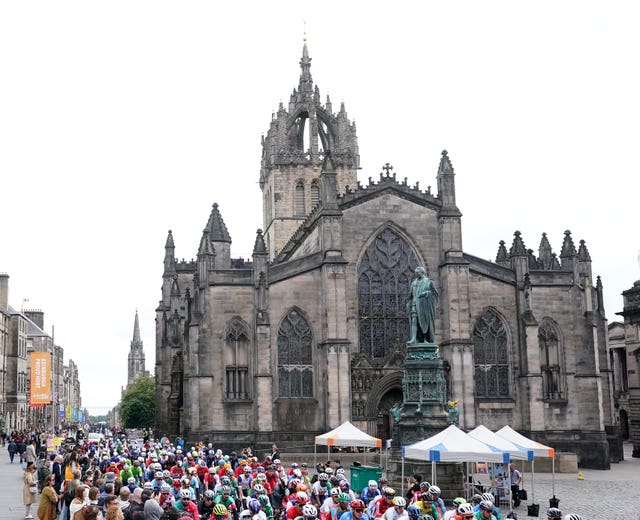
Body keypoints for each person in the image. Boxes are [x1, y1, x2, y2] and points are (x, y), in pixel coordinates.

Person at [407, 267, 438, 344]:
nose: (416, 274)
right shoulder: (414, 283)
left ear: (422, 272)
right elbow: (410, 295)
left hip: (424, 305)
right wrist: (408, 303)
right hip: (414, 304)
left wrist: (426, 293)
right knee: (414, 321)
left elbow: (434, 294)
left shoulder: (428, 282)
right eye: (415, 273)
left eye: (417, 273)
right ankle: (414, 338)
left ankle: (426, 339)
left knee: (425, 321)